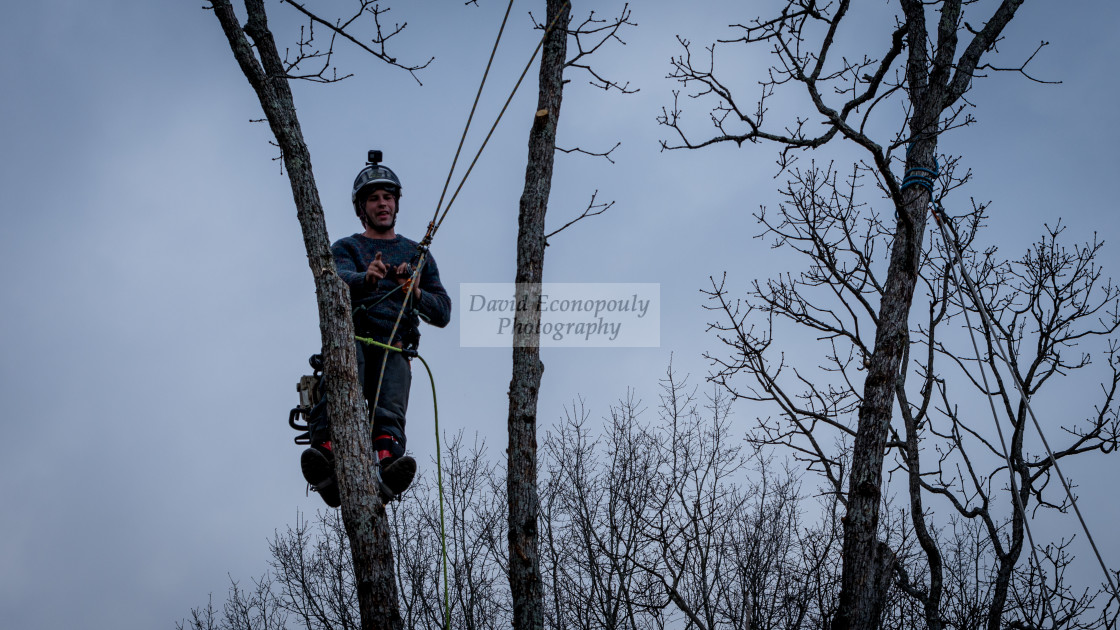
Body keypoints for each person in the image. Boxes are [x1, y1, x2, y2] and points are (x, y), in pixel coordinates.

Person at [300, 151, 452, 507]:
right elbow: (333, 277)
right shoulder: (348, 247)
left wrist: (415, 293)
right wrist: (365, 279)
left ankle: (387, 464)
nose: (382, 204)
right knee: (341, 389)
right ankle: (326, 455)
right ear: (361, 208)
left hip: (395, 343)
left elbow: (442, 310)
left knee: (389, 406)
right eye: (374, 199)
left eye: (388, 197)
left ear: (397, 203)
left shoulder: (416, 254)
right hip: (353, 339)